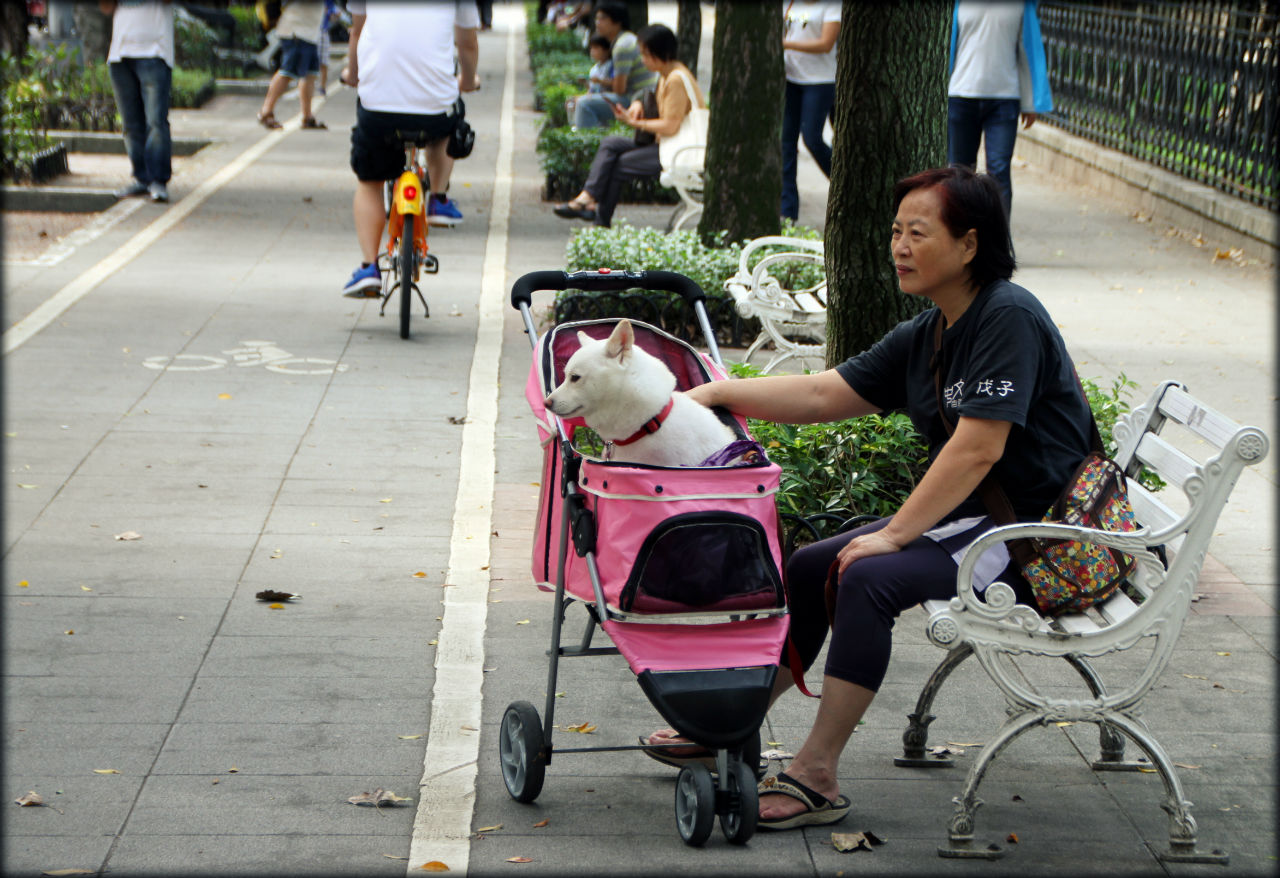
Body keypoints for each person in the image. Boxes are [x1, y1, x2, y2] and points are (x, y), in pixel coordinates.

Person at [643, 165, 1094, 829]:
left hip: (1035, 539)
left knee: (868, 575)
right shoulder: (932, 331)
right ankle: (731, 725)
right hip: (982, 524)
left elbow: (979, 449)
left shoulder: (1008, 318)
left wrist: (892, 536)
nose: (900, 247)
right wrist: (715, 393)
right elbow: (827, 393)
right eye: (895, 232)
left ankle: (817, 774)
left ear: (969, 244)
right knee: (807, 564)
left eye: (919, 232)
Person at [339, 0, 479, 296]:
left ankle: (368, 267)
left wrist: (352, 75)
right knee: (446, 122)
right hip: (434, 108)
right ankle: (438, 198)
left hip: (378, 106)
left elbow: (357, 33)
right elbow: (467, 44)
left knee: (369, 182)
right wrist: (467, 80)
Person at [551, 23, 702, 229]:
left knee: (621, 164)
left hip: (676, 150)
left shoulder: (675, 79)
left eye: (646, 54)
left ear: (661, 53)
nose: (643, 60)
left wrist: (634, 122)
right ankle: (588, 198)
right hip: (664, 145)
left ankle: (599, 219)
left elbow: (670, 126)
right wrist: (639, 102)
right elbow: (651, 96)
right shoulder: (667, 74)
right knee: (611, 143)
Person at [947, 0, 1053, 217]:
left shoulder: (1020, 6)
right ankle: (958, 232)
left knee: (999, 171)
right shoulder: (958, 5)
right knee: (959, 171)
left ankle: (999, 240)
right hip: (960, 96)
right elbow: (948, 50)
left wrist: (1030, 103)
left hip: (1004, 100)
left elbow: (1027, 53)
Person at [101, 0, 174, 203]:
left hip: (155, 52)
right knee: (130, 124)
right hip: (120, 53)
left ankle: (158, 181)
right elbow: (106, 7)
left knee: (155, 122)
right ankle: (142, 178)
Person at [780, 0, 840, 222]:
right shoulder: (791, 3)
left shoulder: (832, 6)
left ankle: (844, 186)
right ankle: (787, 211)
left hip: (820, 81)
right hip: (791, 80)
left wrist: (786, 44)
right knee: (786, 144)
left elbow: (826, 43)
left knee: (812, 138)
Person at [571, 1, 657, 130]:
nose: (597, 23)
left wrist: (593, 93)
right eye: (597, 18)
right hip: (639, 97)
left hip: (637, 100)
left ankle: (586, 146)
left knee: (584, 104)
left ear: (617, 22)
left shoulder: (622, 46)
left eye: (603, 18)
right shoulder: (626, 39)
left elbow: (619, 90)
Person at [257, 0, 327, 129]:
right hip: (296, 31)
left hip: (309, 32)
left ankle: (307, 116)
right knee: (287, 72)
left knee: (310, 74)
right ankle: (266, 111)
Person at [565, 34, 612, 120]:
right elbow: (591, 89)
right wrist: (586, 83)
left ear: (606, 50)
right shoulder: (594, 69)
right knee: (570, 101)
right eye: (591, 48)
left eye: (596, 48)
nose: (592, 52)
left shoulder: (610, 66)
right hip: (595, 95)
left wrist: (599, 81)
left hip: (605, 97)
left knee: (580, 102)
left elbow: (614, 83)